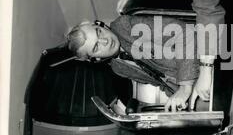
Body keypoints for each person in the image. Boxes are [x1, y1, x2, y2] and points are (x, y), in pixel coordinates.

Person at [66, 15, 200, 112]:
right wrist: (175, 97)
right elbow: (160, 81)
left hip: (206, 65)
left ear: (100, 24)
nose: (105, 41)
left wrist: (185, 87)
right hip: (193, 91)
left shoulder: (125, 25)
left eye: (99, 32)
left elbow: (184, 32)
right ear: (95, 59)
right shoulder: (118, 68)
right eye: (96, 47)